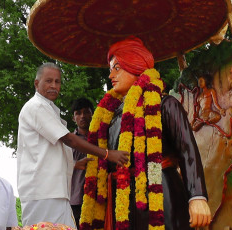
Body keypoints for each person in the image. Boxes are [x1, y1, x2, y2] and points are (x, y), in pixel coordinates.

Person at [79, 37, 211, 230]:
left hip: (162, 192)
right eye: (110, 70)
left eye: (117, 68)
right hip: (121, 199)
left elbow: (187, 150)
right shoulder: (110, 117)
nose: (111, 76)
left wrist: (197, 196)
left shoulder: (165, 104)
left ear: (135, 66)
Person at [17, 62, 129, 228]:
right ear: (36, 83)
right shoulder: (35, 107)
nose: (54, 86)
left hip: (57, 191)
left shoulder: (49, 108)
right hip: (43, 193)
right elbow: (68, 139)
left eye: (57, 81)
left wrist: (75, 165)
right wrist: (107, 154)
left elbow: (48, 152)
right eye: (48, 81)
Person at [69, 98, 95, 229]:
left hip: (99, 198)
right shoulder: (69, 141)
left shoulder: (101, 138)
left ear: (92, 114)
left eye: (86, 112)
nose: (82, 116)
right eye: (78, 113)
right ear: (73, 118)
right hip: (76, 199)